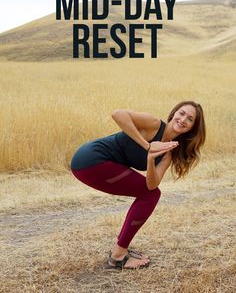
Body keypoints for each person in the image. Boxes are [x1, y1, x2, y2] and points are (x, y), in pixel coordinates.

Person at [71, 100, 206, 270]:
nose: (183, 119)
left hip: (95, 164)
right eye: (181, 113)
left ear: (192, 128)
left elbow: (152, 185)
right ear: (173, 114)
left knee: (151, 194)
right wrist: (147, 146)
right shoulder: (154, 124)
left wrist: (150, 158)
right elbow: (117, 114)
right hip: (91, 158)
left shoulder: (167, 155)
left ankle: (119, 250)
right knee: (150, 196)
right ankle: (118, 255)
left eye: (190, 119)